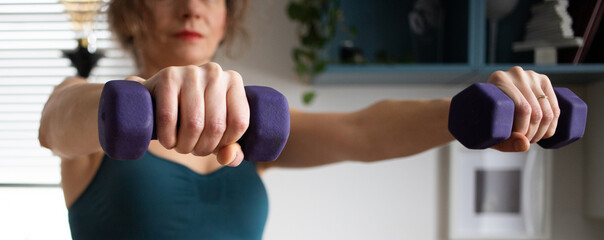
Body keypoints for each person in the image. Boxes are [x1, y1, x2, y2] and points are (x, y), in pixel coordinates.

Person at [38, 0, 561, 239]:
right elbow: (56, 123)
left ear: (227, 15)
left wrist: (469, 109)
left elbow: (362, 132)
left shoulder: (253, 132)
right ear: (133, 11)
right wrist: (130, 100)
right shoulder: (93, 111)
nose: (192, 7)